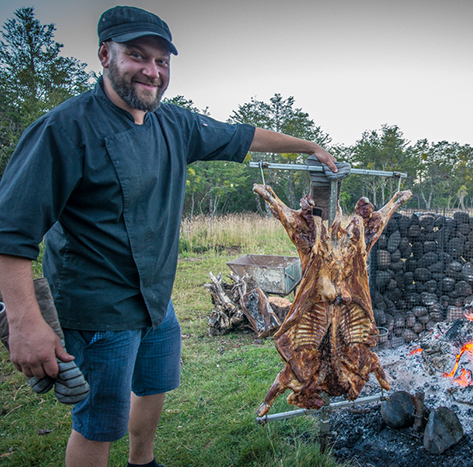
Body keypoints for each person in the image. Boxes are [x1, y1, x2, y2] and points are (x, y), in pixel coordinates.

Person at [0, 6, 337, 467]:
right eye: (137, 56)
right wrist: (25, 323)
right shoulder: (64, 129)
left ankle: (144, 462)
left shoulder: (174, 124)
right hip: (98, 307)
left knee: (156, 385)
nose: (151, 71)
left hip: (157, 301)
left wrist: (309, 146)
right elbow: (10, 233)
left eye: (162, 61)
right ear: (104, 54)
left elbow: (244, 136)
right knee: (99, 423)